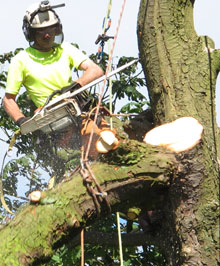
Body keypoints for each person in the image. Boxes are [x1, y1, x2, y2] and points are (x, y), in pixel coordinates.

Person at [3, 1, 119, 164]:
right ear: (31, 33)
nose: (47, 35)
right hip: (53, 122)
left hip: (79, 111)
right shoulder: (21, 60)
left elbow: (96, 70)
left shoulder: (66, 50)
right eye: (41, 31)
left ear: (57, 28)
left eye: (51, 29)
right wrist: (22, 120)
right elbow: (8, 100)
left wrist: (73, 88)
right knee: (81, 154)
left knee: (105, 139)